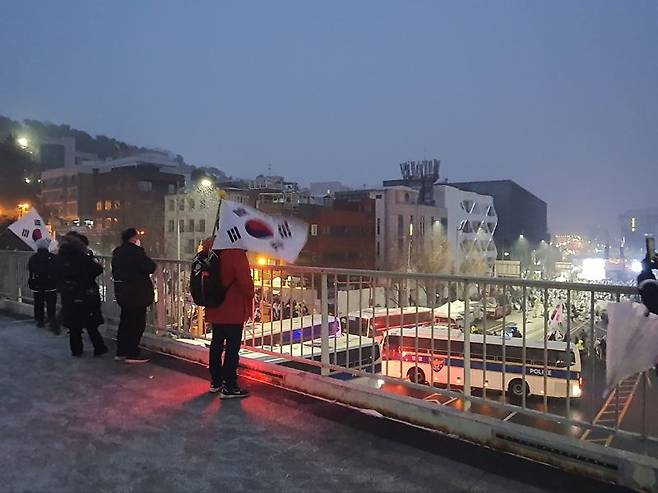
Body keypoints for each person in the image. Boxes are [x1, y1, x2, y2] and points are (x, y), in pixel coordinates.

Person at [203, 238, 254, 398]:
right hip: (232, 307)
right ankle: (230, 386)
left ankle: (216, 381)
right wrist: (251, 293)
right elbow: (245, 284)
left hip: (215, 306)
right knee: (232, 348)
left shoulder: (211, 251)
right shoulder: (235, 253)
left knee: (216, 344)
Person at [56, 232, 108, 357]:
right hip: (85, 292)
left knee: (74, 324)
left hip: (68, 292)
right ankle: (99, 347)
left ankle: (76, 349)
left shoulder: (61, 257)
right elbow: (96, 270)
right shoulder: (81, 257)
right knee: (90, 322)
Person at [111, 228, 156, 364]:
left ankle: (121, 351)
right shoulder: (136, 252)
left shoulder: (117, 252)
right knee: (136, 323)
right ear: (133, 238)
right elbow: (150, 267)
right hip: (137, 292)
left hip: (123, 292)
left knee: (125, 321)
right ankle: (132, 352)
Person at [28, 238, 60, 334]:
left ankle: (40, 320)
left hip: (37, 284)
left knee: (38, 303)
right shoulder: (53, 257)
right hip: (50, 285)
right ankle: (52, 320)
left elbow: (30, 270)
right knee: (51, 304)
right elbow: (57, 269)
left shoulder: (33, 258)